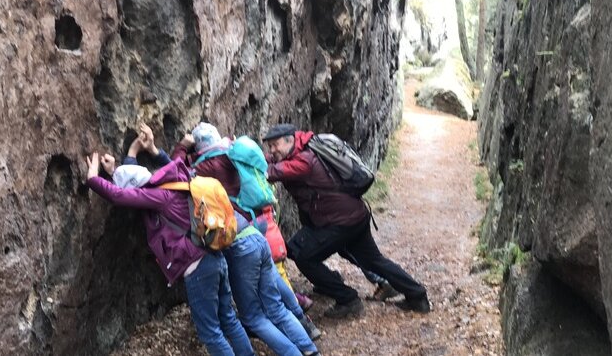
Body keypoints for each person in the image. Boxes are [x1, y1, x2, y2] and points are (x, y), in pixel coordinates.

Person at [84, 127, 254, 356]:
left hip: (199, 269)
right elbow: (134, 178)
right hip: (215, 257)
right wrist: (129, 155)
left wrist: (93, 178)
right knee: (229, 320)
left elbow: (120, 195)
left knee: (210, 332)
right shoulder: (177, 182)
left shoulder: (158, 198)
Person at [171, 123, 322, 349]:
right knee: (274, 292)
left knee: (253, 316)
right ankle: (307, 338)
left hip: (238, 238)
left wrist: (182, 147)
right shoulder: (231, 152)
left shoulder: (208, 165)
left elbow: (174, 171)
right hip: (256, 226)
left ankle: (293, 349)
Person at [262, 123, 432, 318]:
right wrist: (250, 156)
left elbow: (272, 172)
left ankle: (347, 299)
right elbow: (270, 162)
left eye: (275, 145)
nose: (272, 151)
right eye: (270, 147)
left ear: (290, 140)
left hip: (339, 222)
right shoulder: (306, 146)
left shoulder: (303, 162)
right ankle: (417, 295)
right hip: (353, 215)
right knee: (374, 261)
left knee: (303, 256)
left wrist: (245, 162)